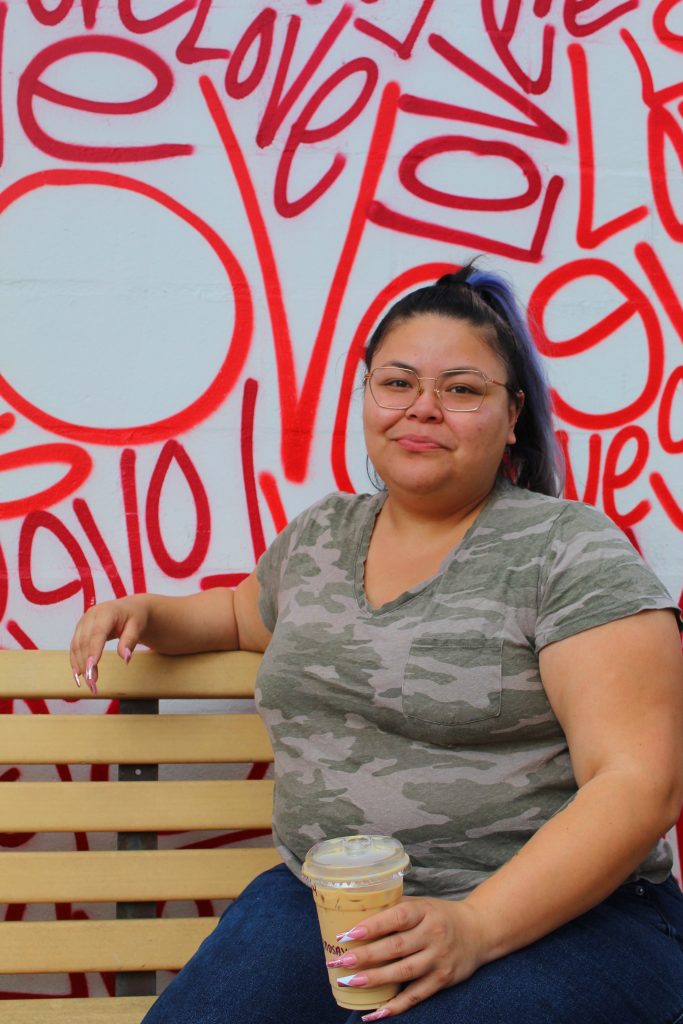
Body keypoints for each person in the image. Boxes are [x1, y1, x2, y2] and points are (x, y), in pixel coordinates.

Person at [70, 261, 683, 1024]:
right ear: (366, 397)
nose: (422, 408)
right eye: (396, 383)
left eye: (460, 389)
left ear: (512, 413)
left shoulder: (567, 550)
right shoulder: (323, 535)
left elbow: (638, 783)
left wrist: (477, 925)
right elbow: (241, 614)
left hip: (566, 918)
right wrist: (149, 613)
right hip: (327, 904)